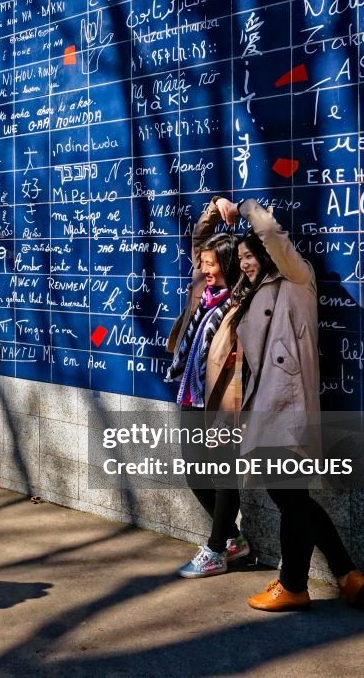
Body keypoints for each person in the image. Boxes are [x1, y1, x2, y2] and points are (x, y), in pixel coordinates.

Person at [225, 199, 364, 611]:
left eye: (251, 255)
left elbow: (271, 233)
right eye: (241, 258)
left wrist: (242, 207)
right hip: (270, 406)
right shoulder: (254, 291)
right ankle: (346, 573)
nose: (246, 263)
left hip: (285, 406)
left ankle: (293, 586)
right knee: (294, 496)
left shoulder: (295, 276)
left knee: (288, 498)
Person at [165, 196, 247, 578]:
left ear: (228, 266)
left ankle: (216, 549)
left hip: (222, 401)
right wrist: (217, 206)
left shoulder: (241, 303)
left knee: (225, 471)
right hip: (191, 393)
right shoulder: (202, 293)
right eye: (203, 264)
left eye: (212, 265)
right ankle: (232, 539)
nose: (204, 269)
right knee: (196, 472)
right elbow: (201, 236)